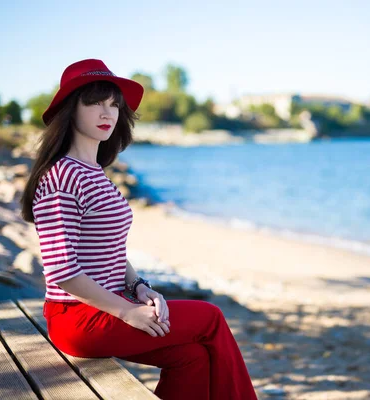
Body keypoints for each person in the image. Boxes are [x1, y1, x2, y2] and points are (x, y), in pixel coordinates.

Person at [20, 59, 257, 400]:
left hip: (106, 306)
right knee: (210, 317)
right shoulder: (62, 176)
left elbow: (109, 249)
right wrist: (127, 311)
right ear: (71, 109)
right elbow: (62, 271)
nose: (108, 113)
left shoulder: (93, 172)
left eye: (114, 105)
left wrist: (138, 287)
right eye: (95, 103)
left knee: (193, 357)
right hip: (78, 318)